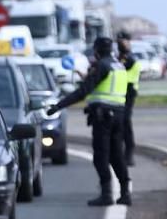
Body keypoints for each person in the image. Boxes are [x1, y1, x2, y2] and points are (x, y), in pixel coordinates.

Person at [47, 36, 130, 206]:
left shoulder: (102, 66)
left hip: (103, 117)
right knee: (117, 156)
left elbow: (83, 91)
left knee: (101, 156)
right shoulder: (119, 66)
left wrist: (58, 106)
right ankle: (125, 192)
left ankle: (106, 194)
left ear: (96, 51)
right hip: (119, 116)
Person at [116, 32, 140, 166]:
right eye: (119, 41)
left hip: (129, 91)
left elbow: (122, 67)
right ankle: (122, 153)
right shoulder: (121, 56)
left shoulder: (129, 57)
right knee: (121, 123)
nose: (121, 43)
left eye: (123, 41)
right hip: (121, 92)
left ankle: (129, 153)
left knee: (125, 122)